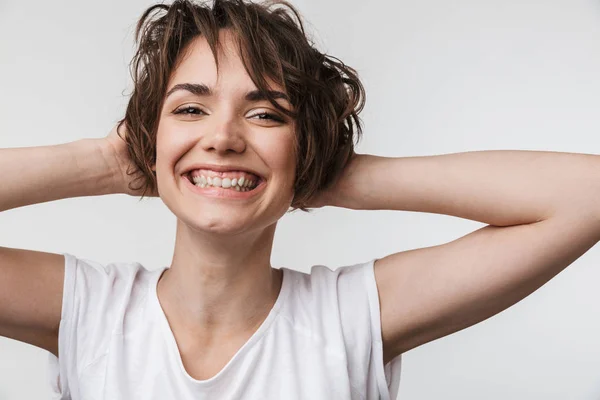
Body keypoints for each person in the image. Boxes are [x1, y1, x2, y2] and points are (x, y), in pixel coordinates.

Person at [0, 0, 599, 399]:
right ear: (150, 138)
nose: (224, 138)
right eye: (190, 108)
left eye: (265, 114)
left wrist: (324, 168)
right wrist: (102, 162)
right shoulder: (88, 311)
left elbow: (587, 195)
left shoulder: (348, 318)